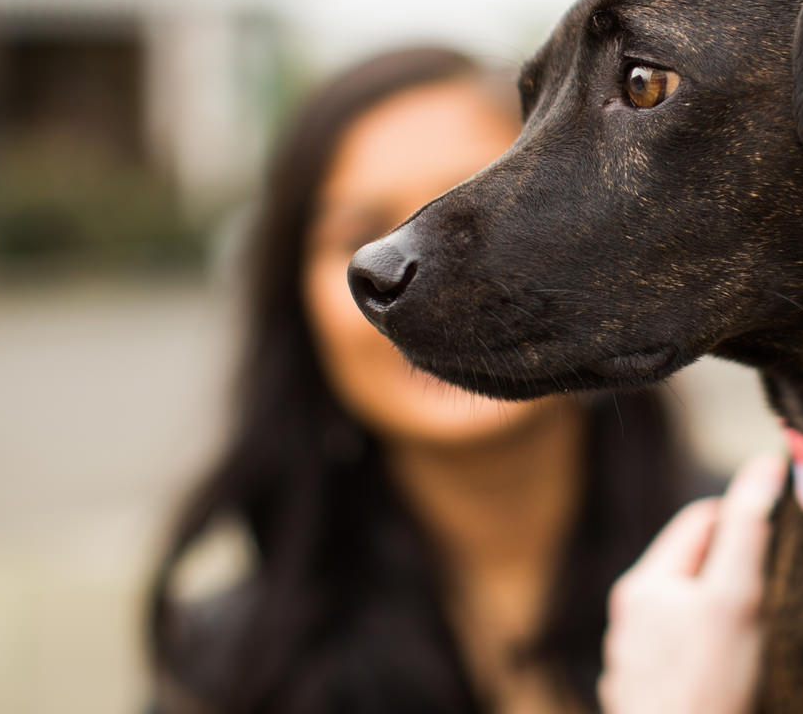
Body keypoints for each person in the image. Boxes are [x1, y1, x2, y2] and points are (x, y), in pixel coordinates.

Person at [145, 46, 704, 714]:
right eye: (360, 232)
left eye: (484, 201)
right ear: (296, 312)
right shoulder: (228, 668)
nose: (424, 269)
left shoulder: (768, 571)